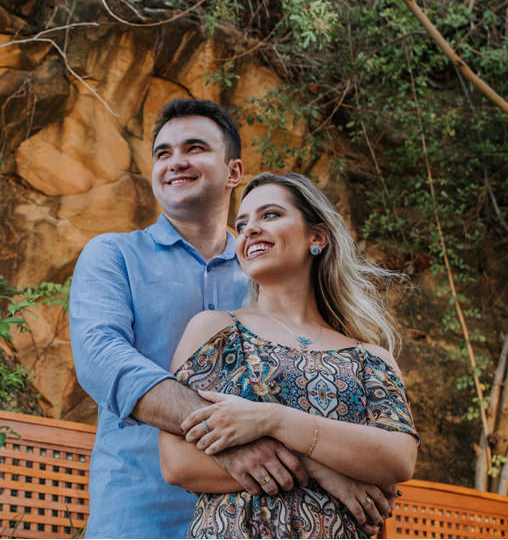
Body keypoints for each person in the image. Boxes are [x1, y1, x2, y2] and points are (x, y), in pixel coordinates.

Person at [70, 100, 395, 538]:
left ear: (233, 172)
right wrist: (252, 444)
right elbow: (101, 359)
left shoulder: (271, 268)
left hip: (257, 523)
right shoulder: (114, 255)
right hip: (138, 516)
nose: (175, 162)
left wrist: (332, 456)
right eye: (163, 153)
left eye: (195, 147)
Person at [159, 172, 419, 538]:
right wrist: (321, 467)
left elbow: (397, 459)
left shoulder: (370, 358)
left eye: (269, 215)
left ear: (317, 237)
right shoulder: (216, 331)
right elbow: (178, 463)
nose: (249, 230)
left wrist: (272, 420)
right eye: (242, 223)